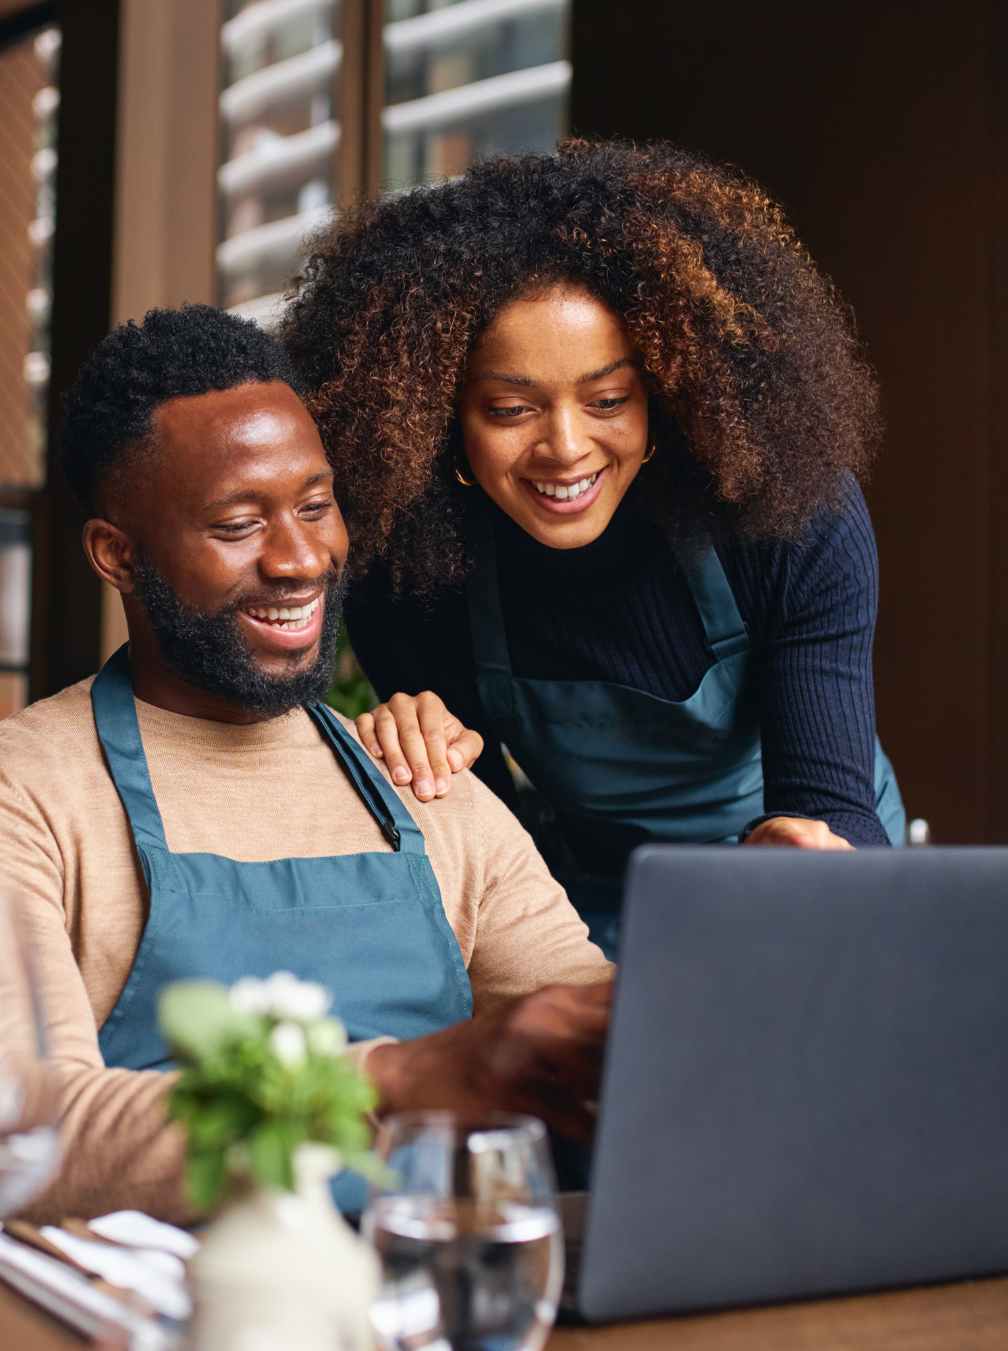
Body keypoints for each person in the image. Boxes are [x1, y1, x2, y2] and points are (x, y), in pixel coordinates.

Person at [0, 305, 611, 1223]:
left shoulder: (423, 776)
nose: (302, 558)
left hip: (438, 1312)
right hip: (145, 1340)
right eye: (239, 524)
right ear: (117, 556)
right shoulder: (6, 795)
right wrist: (400, 1078)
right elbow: (12, 1124)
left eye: (316, 505)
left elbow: (591, 1037)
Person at [281, 140, 906, 957]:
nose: (567, 449)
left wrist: (806, 855)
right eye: (510, 410)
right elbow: (491, 852)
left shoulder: (787, 516)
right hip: (596, 901)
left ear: (667, 392)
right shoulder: (410, 571)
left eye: (609, 398)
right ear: (438, 421)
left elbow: (833, 803)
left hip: (807, 877)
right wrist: (419, 759)